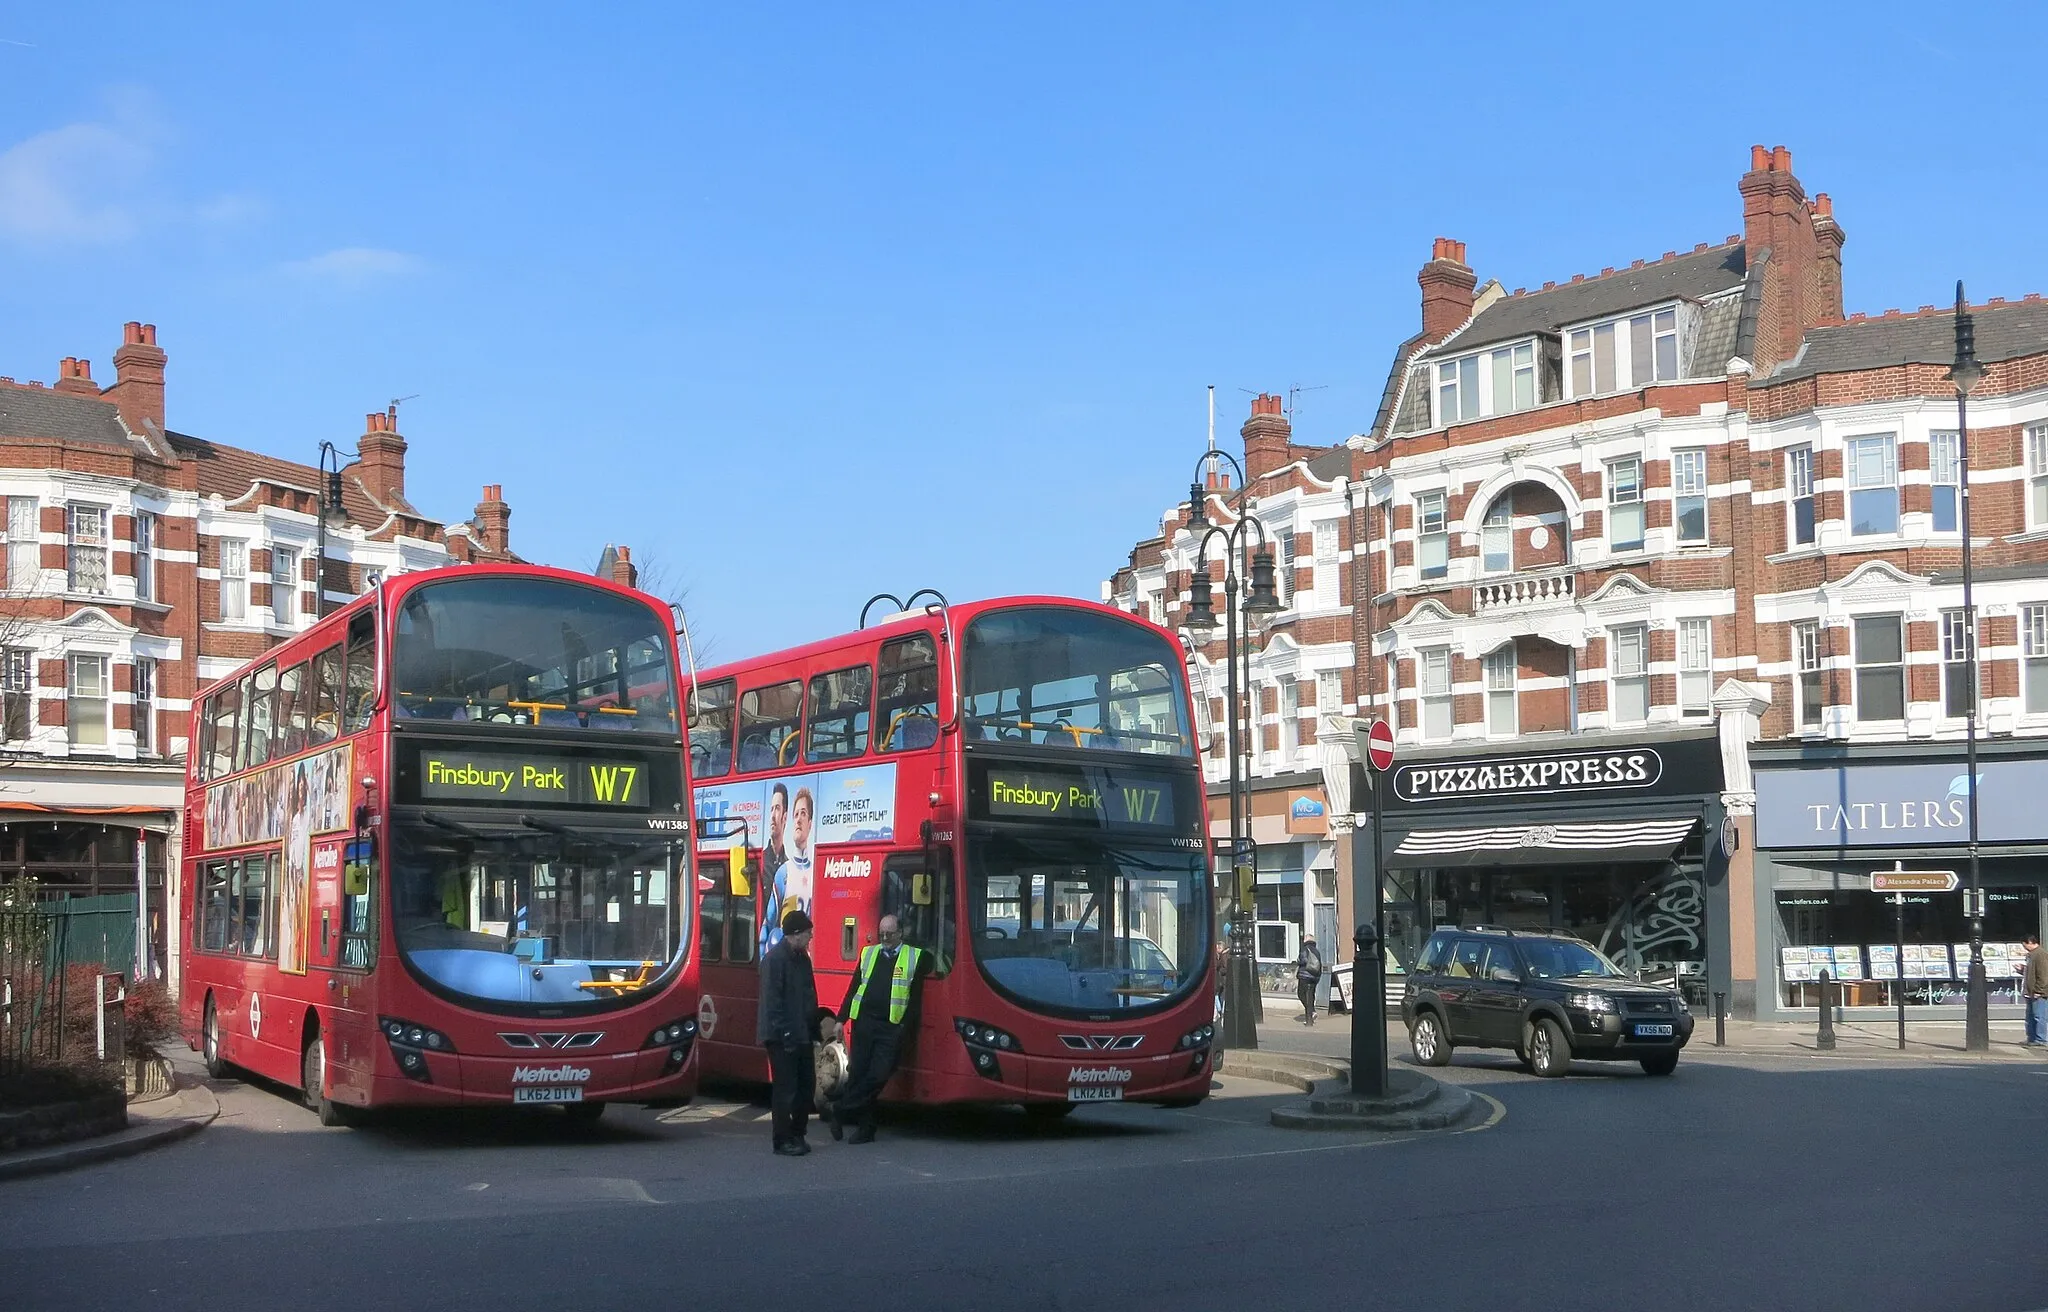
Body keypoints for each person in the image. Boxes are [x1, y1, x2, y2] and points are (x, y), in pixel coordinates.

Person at [824, 914, 933, 1144]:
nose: (884, 938)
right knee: (859, 1075)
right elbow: (854, 987)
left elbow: (915, 999)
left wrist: (906, 1027)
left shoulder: (915, 957)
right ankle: (866, 1129)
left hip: (891, 1026)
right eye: (881, 933)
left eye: (889, 934)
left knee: (879, 1074)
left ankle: (841, 1109)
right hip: (864, 1022)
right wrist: (841, 1019)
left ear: (900, 933)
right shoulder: (869, 953)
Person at [757, 908, 822, 1156]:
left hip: (802, 1032)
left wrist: (813, 1029)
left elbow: (808, 996)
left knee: (806, 1085)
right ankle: (782, 1139)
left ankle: (798, 1133)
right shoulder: (774, 961)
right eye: (808, 933)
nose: (811, 937)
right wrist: (785, 1035)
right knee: (786, 1089)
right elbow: (772, 1004)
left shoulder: (802, 959)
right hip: (780, 1036)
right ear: (795, 934)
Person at [2023, 933, 2048, 1047]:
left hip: (2038, 992)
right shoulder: (2031, 955)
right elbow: (2032, 972)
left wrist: (2039, 990)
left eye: (2024, 944)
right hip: (2030, 991)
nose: (2023, 947)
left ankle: (2041, 1039)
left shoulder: (2040, 954)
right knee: (2030, 1016)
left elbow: (2043, 975)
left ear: (2030, 943)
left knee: (2039, 1015)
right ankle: (2032, 1037)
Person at [1295, 934, 1324, 1026]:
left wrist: (1298, 961)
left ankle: (1310, 1015)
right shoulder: (1316, 951)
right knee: (1311, 995)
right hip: (1314, 976)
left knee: (1301, 994)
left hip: (1305, 975)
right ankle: (1311, 1013)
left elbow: (1303, 960)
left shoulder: (1305, 949)